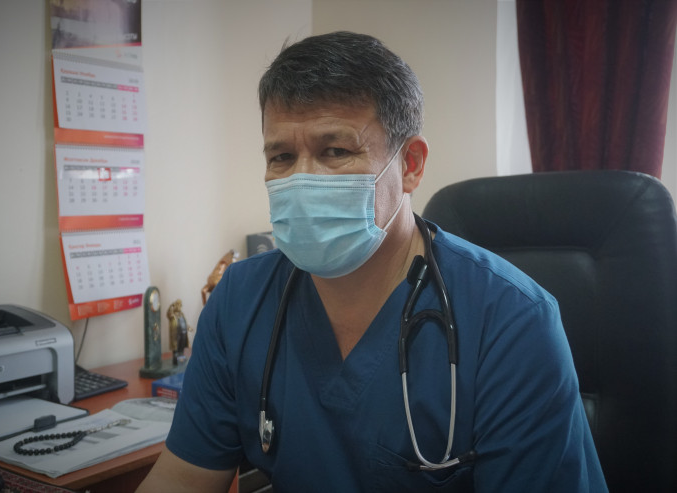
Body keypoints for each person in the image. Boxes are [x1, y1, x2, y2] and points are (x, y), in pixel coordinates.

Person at [137, 31, 607, 492]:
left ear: (410, 165)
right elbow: (182, 478)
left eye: (335, 151)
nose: (302, 179)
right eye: (281, 156)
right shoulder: (240, 300)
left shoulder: (511, 321)